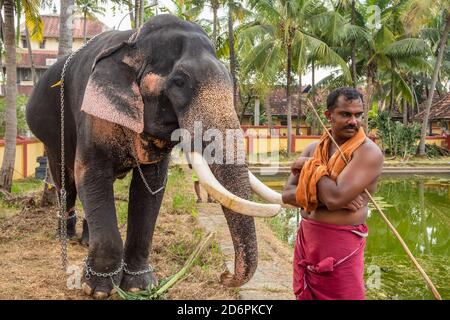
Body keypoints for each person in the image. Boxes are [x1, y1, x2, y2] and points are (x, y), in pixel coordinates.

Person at [282, 87, 384, 300]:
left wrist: (310, 167)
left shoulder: (367, 152)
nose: (353, 121)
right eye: (346, 114)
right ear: (329, 115)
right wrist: (329, 200)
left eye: (358, 115)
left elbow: (334, 198)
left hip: (341, 243)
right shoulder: (313, 148)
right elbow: (287, 195)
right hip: (308, 238)